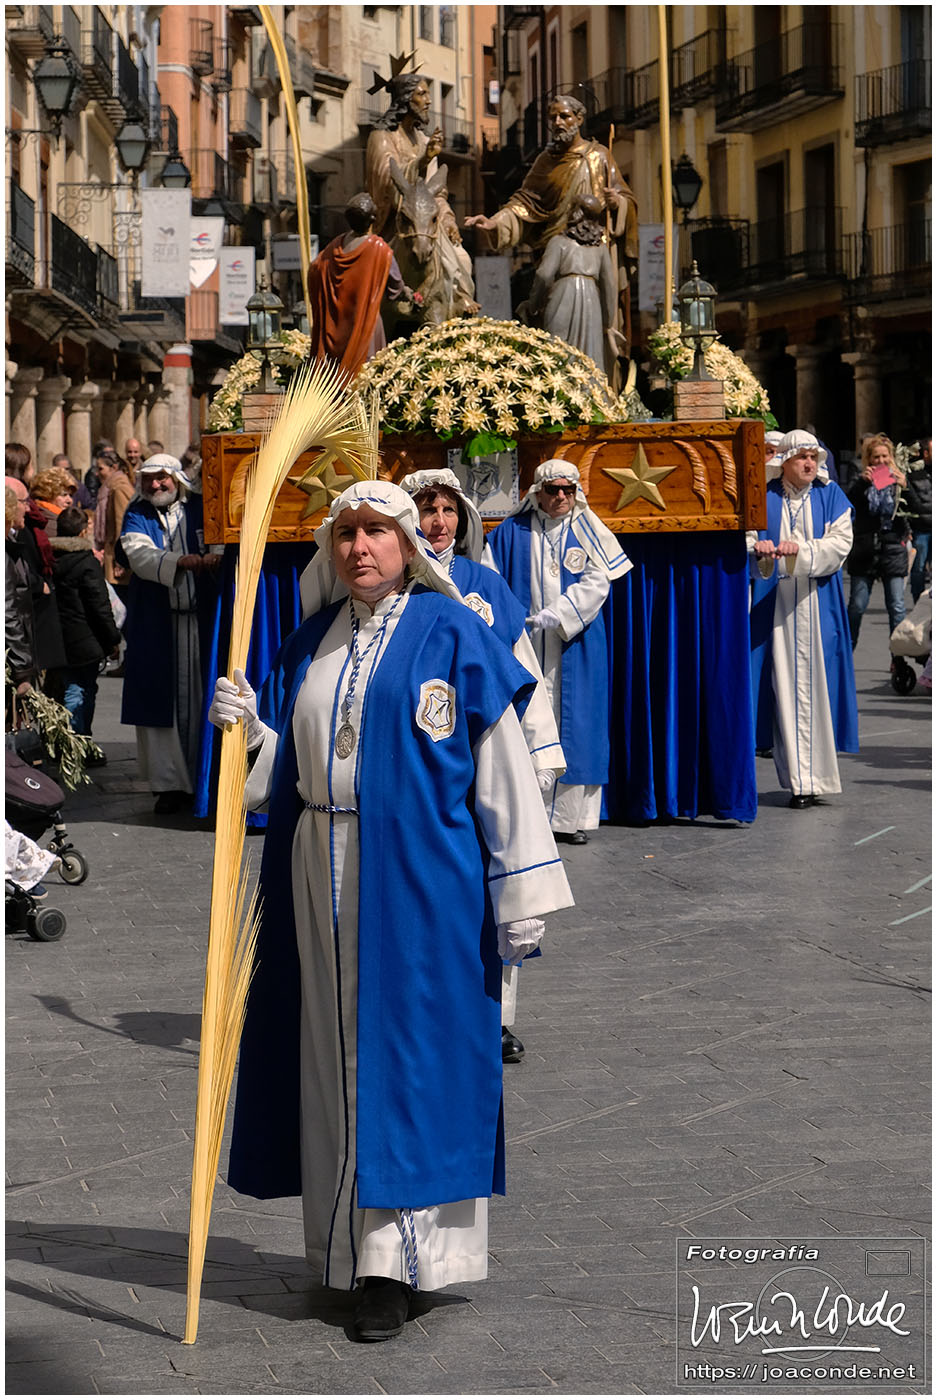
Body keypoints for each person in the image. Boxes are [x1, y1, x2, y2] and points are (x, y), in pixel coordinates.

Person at [208, 479, 573, 1342]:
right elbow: (292, 771)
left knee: (406, 1062)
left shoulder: (452, 631)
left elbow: (502, 772)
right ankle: (345, 1251)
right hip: (315, 869)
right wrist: (248, 730)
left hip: (420, 882)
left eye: (375, 531)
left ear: (408, 544)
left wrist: (521, 892)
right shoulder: (311, 640)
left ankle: (396, 1268)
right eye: (345, 534)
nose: (359, 547)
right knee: (331, 1056)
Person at [400, 467, 567, 1065]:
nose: (438, 521)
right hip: (426, 761)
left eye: (448, 510)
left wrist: (540, 749)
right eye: (427, 509)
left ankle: (496, 1018)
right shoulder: (395, 588)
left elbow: (525, 674)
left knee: (499, 883)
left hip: (492, 753)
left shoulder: (484, 586)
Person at [484, 458, 633, 844]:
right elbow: (489, 579)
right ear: (538, 493)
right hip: (526, 643)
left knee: (579, 726)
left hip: (574, 642)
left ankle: (570, 820)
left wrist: (563, 613)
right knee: (527, 721)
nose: (562, 497)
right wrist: (512, 618)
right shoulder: (510, 532)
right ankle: (528, 817)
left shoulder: (587, 527)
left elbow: (599, 580)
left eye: (569, 490)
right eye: (553, 490)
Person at [465, 95, 637, 359]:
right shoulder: (545, 162)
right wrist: (495, 222)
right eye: (553, 117)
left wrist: (618, 203)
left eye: (564, 116)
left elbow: (626, 199)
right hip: (556, 259)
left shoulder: (599, 156)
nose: (558, 122)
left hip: (594, 256)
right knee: (557, 345)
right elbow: (523, 203)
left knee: (595, 341)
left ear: (579, 119)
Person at [748, 429, 858, 808]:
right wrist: (760, 550)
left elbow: (840, 544)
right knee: (780, 690)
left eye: (814, 457)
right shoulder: (763, 497)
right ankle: (798, 779)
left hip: (817, 605)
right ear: (785, 462)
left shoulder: (831, 495)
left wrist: (801, 553)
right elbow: (744, 539)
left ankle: (813, 780)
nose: (810, 463)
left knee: (816, 692)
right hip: (774, 608)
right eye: (802, 457)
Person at [120, 453, 222, 815]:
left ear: (177, 479)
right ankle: (170, 786)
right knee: (159, 706)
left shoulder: (200, 507)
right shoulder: (137, 513)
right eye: (149, 479)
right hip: (159, 625)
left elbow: (220, 541)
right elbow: (138, 553)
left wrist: (215, 556)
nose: (156, 485)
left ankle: (205, 778)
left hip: (201, 622)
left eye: (162, 477)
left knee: (205, 696)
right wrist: (180, 561)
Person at [365, 67, 476, 319]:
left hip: (427, 221)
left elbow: (437, 193)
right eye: (422, 94)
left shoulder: (425, 141)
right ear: (405, 99)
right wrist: (422, 161)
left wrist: (448, 219)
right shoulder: (382, 137)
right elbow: (386, 181)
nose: (428, 101)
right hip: (396, 223)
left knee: (461, 256)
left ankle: (458, 297)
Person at [517, 194, 622, 381]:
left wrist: (533, 305)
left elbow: (544, 275)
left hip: (562, 296)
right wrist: (607, 322)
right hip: (591, 303)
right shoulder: (600, 249)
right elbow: (609, 286)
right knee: (590, 358)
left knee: (558, 352)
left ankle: (559, 394)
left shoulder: (558, 242)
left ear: (575, 214)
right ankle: (591, 397)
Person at [307, 193, 413, 377]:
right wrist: (408, 293)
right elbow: (395, 287)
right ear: (372, 219)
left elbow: (314, 269)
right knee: (366, 375)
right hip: (366, 323)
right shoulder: (379, 249)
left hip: (335, 325)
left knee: (334, 379)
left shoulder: (334, 247)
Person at [49, 506, 121, 739]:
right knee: (80, 689)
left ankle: (68, 739)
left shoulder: (50, 559)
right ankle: (77, 741)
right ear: (82, 533)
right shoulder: (86, 562)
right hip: (85, 639)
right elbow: (99, 606)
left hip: (56, 637)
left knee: (66, 688)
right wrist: (112, 639)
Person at [845, 433, 910, 653]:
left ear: (891, 457)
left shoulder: (901, 479)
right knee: (857, 606)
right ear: (869, 459)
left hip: (892, 549)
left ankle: (897, 657)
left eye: (884, 456)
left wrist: (906, 487)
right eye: (876, 457)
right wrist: (862, 484)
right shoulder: (860, 478)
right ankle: (847, 653)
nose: (881, 461)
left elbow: (916, 510)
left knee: (897, 607)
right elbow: (848, 505)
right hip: (865, 550)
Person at [904, 436, 931, 604]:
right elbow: (910, 503)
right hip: (921, 529)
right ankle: (918, 605)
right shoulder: (913, 474)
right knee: (918, 570)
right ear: (925, 453)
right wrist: (908, 528)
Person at [29, 466, 76, 538]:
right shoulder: (50, 524)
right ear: (47, 495)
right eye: (64, 495)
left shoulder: (59, 519)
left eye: (71, 495)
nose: (70, 500)